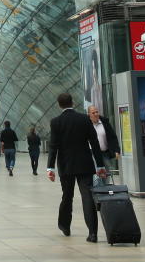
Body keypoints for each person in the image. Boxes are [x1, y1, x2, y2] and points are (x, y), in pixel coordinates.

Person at [46, 92, 107, 242]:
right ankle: (93, 233)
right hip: (85, 164)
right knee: (87, 197)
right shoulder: (84, 119)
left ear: (59, 105)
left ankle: (65, 226)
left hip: (66, 165)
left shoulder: (56, 122)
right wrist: (100, 165)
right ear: (72, 102)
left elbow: (53, 146)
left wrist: (50, 168)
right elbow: (94, 143)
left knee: (67, 196)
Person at [87, 105, 120, 171]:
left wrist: (116, 150)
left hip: (105, 153)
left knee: (106, 174)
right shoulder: (86, 124)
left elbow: (113, 137)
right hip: (92, 154)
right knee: (96, 176)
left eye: (97, 112)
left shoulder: (105, 122)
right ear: (88, 114)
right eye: (93, 113)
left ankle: (105, 181)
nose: (96, 114)